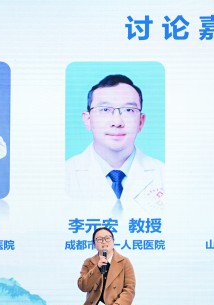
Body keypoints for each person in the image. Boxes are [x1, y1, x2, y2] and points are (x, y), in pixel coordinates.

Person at [66, 74, 164, 211]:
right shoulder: (64, 175)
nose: (117, 122)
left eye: (128, 110)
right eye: (105, 109)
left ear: (141, 122)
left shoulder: (164, 175)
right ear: (88, 120)